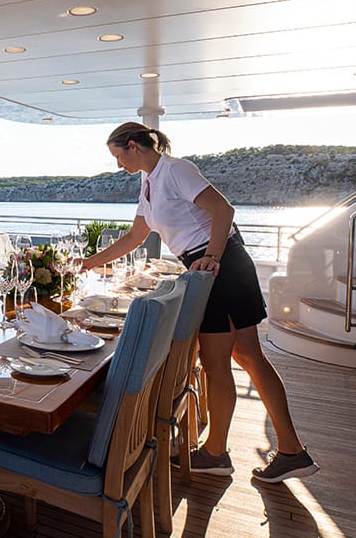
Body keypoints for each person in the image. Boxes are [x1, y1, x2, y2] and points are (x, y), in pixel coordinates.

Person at [80, 121, 318, 483]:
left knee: (219, 363)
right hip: (210, 266)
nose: (117, 164)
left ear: (133, 146)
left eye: (118, 156)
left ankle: (219, 454)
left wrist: (212, 258)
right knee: (246, 356)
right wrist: (88, 263)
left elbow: (223, 210)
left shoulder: (176, 170)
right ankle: (288, 450)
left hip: (219, 267)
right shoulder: (149, 182)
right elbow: (136, 236)